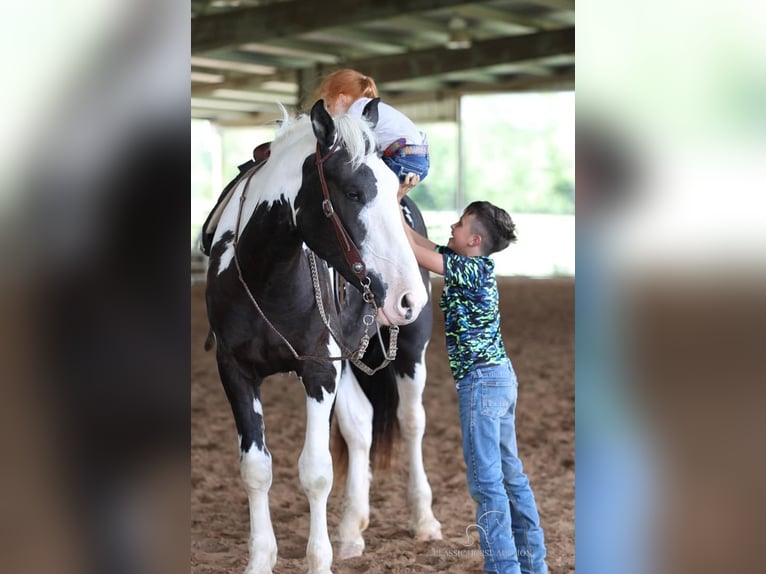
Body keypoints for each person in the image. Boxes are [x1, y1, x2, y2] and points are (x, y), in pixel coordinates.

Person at [399, 197, 548, 574]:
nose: (452, 227)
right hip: (499, 378)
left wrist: (387, 213)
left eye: (461, 224)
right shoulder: (475, 265)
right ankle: (534, 565)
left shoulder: (466, 270)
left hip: (480, 383)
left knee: (487, 483)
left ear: (474, 241)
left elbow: (415, 252)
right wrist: (395, 206)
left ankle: (504, 569)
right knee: (511, 475)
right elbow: (422, 242)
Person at [316, 68, 429, 196]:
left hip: (401, 157)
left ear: (342, 99)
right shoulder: (372, 107)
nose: (329, 112)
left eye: (329, 105)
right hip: (419, 157)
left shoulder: (356, 112)